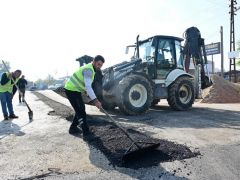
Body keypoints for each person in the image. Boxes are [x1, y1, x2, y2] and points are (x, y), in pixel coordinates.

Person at [64, 55, 104, 135]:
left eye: (101, 65)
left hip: (75, 90)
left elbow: (85, 85)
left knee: (80, 109)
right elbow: (88, 86)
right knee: (81, 111)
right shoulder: (89, 70)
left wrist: (88, 94)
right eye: (98, 64)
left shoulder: (91, 69)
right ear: (94, 62)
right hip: (71, 90)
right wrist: (95, 101)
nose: (99, 67)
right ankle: (86, 133)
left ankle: (73, 128)